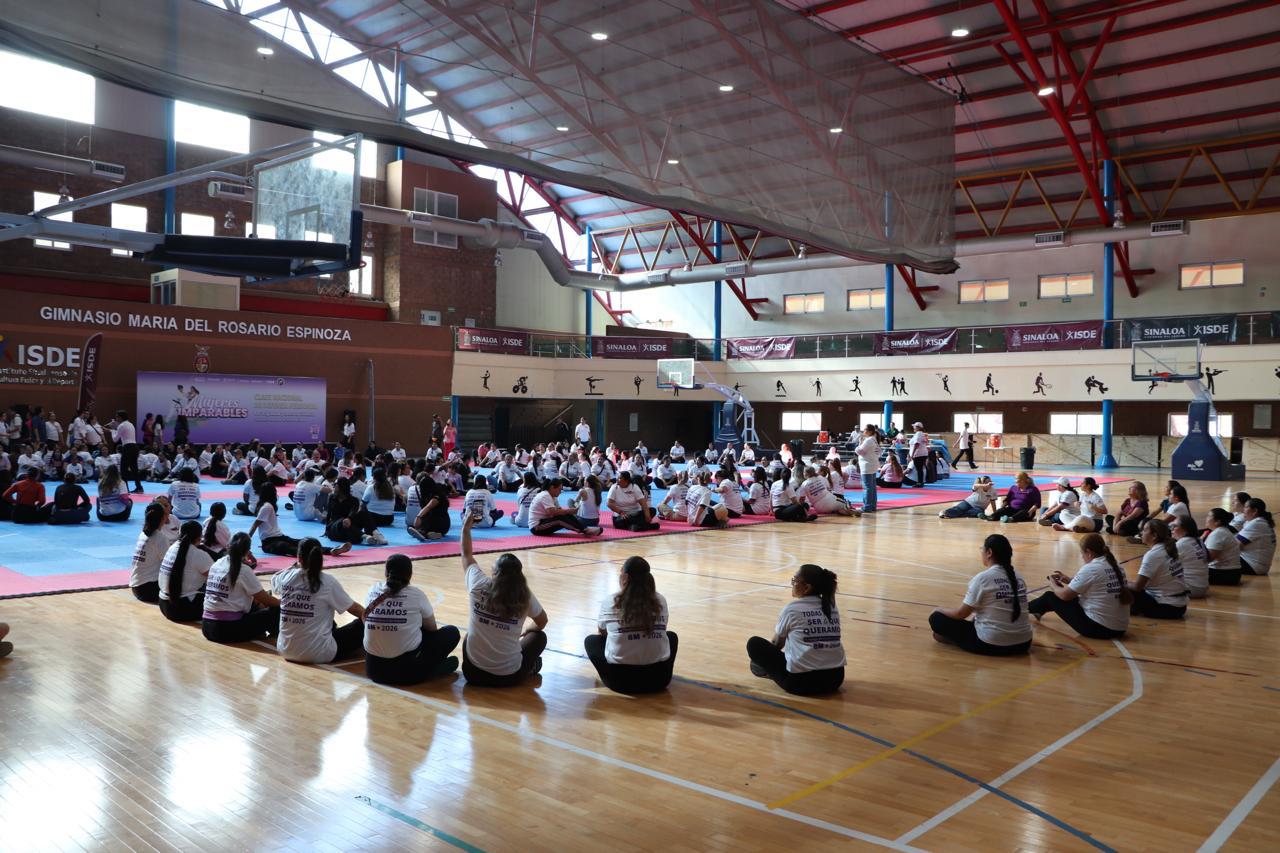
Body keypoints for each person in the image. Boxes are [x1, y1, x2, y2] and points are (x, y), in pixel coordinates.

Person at [459, 515, 548, 686]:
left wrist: (465, 529)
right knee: (539, 637)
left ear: (495, 573)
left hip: (472, 674)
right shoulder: (524, 595)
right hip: (509, 678)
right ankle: (529, 667)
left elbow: (466, 554)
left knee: (470, 635)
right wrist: (527, 631)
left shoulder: (478, 584)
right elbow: (542, 621)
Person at [746, 564, 844, 696]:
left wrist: (769, 663)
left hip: (801, 683)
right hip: (835, 679)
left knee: (754, 644)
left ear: (807, 587)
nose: (792, 584)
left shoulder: (792, 609)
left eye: (795, 581)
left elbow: (777, 644)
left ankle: (772, 673)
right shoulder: (831, 607)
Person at [585, 556, 677, 694]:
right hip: (659, 679)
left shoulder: (611, 601)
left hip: (621, 682)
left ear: (625, 577)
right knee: (671, 637)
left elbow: (602, 633)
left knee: (592, 641)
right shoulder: (660, 600)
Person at [928, 534, 1032, 656]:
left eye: (982, 549)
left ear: (989, 552)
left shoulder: (983, 579)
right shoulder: (1019, 577)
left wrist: (939, 609)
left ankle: (958, 640)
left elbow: (961, 614)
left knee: (936, 619)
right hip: (1024, 643)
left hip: (992, 644)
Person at [364, 554, 461, 684]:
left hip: (373, 670)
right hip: (406, 673)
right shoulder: (416, 595)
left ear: (386, 573)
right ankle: (433, 669)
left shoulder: (372, 590)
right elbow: (432, 629)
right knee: (451, 632)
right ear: (410, 575)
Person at [272, 538, 366, 663]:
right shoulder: (327, 581)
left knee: (325, 617)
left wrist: (294, 566)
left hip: (285, 649)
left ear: (299, 558)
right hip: (318, 653)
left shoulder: (285, 577)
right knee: (362, 624)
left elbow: (274, 579)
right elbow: (355, 609)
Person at [1028, 534, 1131, 638]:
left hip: (1099, 628)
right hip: (1120, 628)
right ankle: (1037, 611)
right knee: (1068, 597)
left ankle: (1021, 609)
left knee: (1050, 597)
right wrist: (1070, 580)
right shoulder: (1115, 565)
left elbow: (1065, 596)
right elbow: (1095, 585)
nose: (1082, 556)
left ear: (1089, 552)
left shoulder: (1091, 568)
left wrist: (1053, 585)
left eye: (1082, 553)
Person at [202, 533, 281, 643]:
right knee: (276, 610)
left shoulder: (217, 564)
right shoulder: (243, 570)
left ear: (228, 546)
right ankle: (273, 637)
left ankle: (258, 631)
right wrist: (283, 604)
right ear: (248, 551)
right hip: (227, 630)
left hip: (207, 626)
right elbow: (266, 600)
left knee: (254, 602)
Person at [252, 484, 352, 558]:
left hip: (279, 537)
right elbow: (255, 525)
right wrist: (246, 542)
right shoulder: (267, 507)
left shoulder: (266, 506)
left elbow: (256, 525)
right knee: (288, 547)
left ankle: (331, 550)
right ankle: (316, 555)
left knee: (304, 543)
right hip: (269, 543)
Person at [1129, 519, 1188, 619]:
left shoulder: (1153, 555)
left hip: (1164, 608)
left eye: (1144, 530)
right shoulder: (1169, 548)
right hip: (1180, 607)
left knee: (1122, 587)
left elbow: (1137, 587)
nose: (1141, 533)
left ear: (1154, 536)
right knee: (1130, 585)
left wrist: (1122, 582)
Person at [157, 520, 212, 622]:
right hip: (182, 608)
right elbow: (218, 577)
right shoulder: (198, 554)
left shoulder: (172, 548)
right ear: (199, 537)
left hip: (164, 604)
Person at [130, 503, 175, 602]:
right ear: (163, 518)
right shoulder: (160, 537)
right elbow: (169, 566)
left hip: (137, 587)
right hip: (148, 589)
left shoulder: (143, 534)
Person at [530, 478, 602, 536]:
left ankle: (585, 528)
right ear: (552, 488)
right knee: (560, 518)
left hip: (545, 522)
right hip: (537, 527)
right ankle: (584, 530)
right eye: (559, 489)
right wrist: (569, 511)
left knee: (565, 514)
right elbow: (552, 512)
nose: (560, 492)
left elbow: (560, 511)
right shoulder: (545, 495)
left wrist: (569, 512)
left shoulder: (553, 497)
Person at [1171, 515, 1209, 599]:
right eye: (1171, 526)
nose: (1172, 529)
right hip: (1202, 586)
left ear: (1185, 529)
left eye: (1175, 526)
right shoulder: (1197, 540)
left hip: (1191, 588)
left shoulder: (1182, 544)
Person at [1204, 508, 1242, 586]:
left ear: (1217, 521)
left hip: (1225, 574)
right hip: (1230, 573)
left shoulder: (1218, 533)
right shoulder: (1221, 531)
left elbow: (1209, 558)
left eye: (1209, 516)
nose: (1206, 518)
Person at [1237, 498, 1275, 576]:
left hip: (1252, 565)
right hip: (1257, 564)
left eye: (1246, 507)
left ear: (1254, 511)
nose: (1243, 509)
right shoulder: (1260, 521)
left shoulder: (1256, 524)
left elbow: (1235, 546)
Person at [358, 467, 396, 546]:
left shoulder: (371, 487)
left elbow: (363, 503)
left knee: (362, 510)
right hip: (389, 519)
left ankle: (371, 534)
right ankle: (373, 534)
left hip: (374, 518)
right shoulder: (390, 488)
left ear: (374, 477)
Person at [408, 475, 452, 541]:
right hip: (433, 520)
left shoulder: (437, 497)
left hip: (442, 523)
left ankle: (426, 533)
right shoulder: (428, 495)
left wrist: (418, 517)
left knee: (427, 518)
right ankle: (427, 533)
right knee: (423, 521)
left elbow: (428, 507)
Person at [908, 422, 929, 488]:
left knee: (919, 469)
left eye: (914, 426)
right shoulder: (920, 434)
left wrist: (912, 454)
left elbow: (917, 444)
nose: (913, 428)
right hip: (921, 453)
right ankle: (920, 482)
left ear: (918, 427)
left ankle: (920, 482)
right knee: (920, 469)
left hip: (918, 454)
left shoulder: (918, 434)